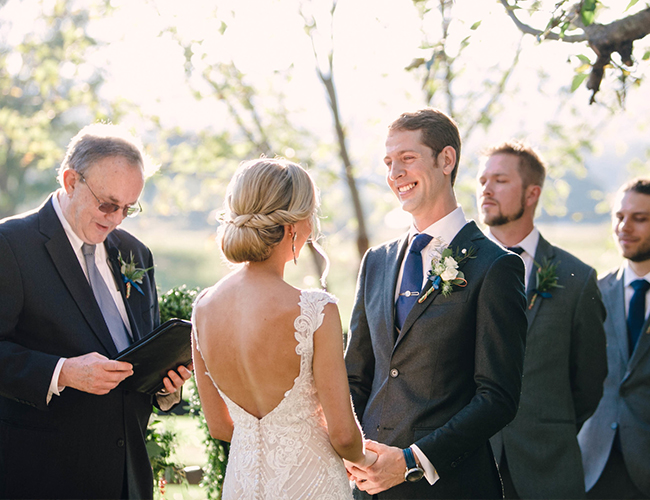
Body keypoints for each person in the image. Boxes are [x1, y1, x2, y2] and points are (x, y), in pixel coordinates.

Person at [0, 124, 192, 500]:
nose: (116, 218)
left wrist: (165, 387)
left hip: (127, 479)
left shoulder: (136, 254)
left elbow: (139, 352)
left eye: (128, 208)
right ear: (71, 180)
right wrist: (63, 373)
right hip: (41, 476)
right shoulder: (10, 246)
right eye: (107, 204)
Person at [344, 108, 528, 499]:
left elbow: (497, 398)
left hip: (449, 487)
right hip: (367, 486)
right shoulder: (376, 262)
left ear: (447, 160)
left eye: (408, 159)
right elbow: (357, 376)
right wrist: (352, 454)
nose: (395, 174)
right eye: (389, 162)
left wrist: (412, 461)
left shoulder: (495, 267)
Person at [191, 158, 377, 500]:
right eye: (312, 212)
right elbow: (344, 436)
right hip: (311, 483)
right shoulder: (316, 310)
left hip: (242, 485)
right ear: (294, 226)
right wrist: (367, 461)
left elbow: (219, 426)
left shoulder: (203, 306)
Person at [476, 141, 607, 499]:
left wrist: (548, 426)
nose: (486, 189)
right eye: (483, 179)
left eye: (500, 180)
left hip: (547, 466)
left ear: (532, 193)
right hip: (469, 462)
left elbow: (590, 380)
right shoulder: (455, 267)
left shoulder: (576, 278)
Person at [578, 178, 650, 499]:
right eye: (619, 216)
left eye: (640, 218)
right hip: (592, 465)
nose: (625, 227)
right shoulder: (592, 292)